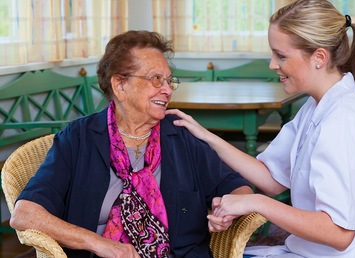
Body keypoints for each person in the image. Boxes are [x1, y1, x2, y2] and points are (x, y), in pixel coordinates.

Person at [166, 0, 355, 257]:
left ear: (319, 57)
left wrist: (254, 202)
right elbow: (272, 178)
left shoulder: (343, 121)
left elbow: (339, 233)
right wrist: (205, 135)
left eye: (282, 56)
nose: (272, 64)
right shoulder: (317, 105)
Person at [10, 30, 253, 258]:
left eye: (169, 81)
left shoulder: (180, 134)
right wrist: (101, 244)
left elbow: (238, 187)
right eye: (156, 80)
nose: (167, 90)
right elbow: (25, 214)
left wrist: (226, 209)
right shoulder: (78, 138)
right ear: (120, 85)